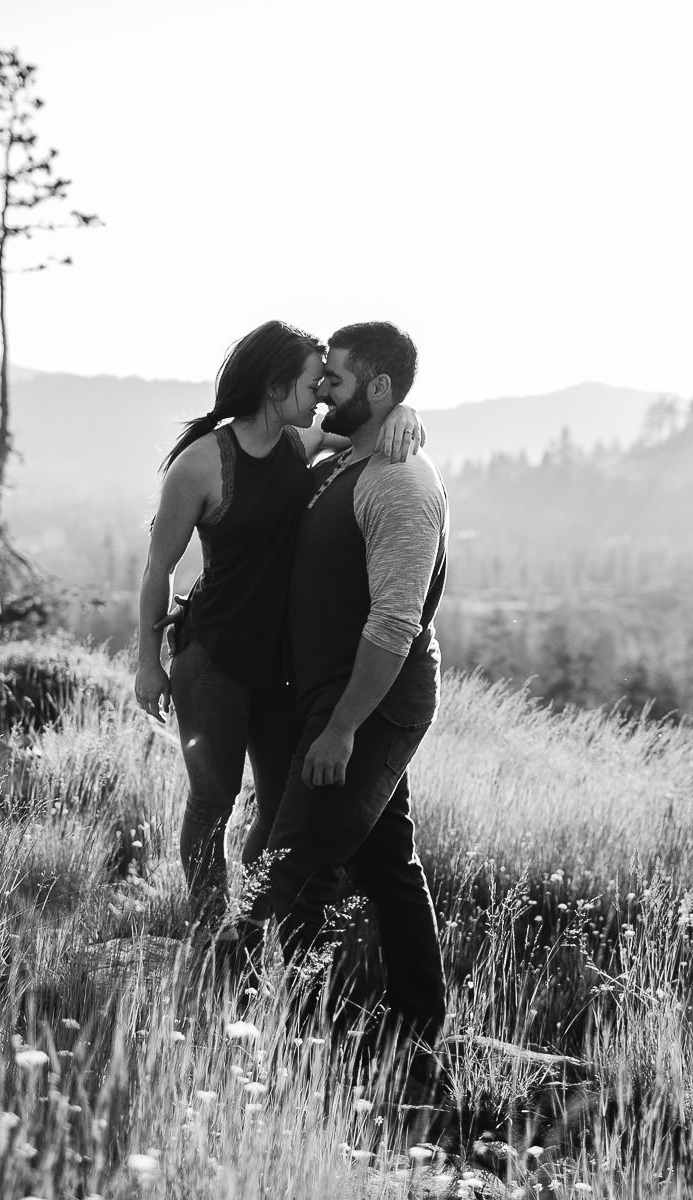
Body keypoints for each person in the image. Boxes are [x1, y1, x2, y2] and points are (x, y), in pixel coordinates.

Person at [133, 320, 423, 934]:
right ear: (274, 387)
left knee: (276, 810)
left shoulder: (299, 442)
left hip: (280, 665)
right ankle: (209, 930)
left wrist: (406, 412)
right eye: (313, 383)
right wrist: (147, 663)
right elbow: (158, 568)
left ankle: (248, 924)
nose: (321, 395)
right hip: (213, 658)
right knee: (213, 802)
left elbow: (367, 423)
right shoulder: (201, 464)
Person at [239, 320, 450, 1064]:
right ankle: (416, 1026)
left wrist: (342, 727)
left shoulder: (400, 483)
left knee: (293, 868)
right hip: (332, 698)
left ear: (379, 388)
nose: (323, 390)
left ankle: (304, 1041)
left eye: (336, 378)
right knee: (387, 865)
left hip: (371, 705)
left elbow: (394, 622)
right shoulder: (350, 455)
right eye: (320, 377)